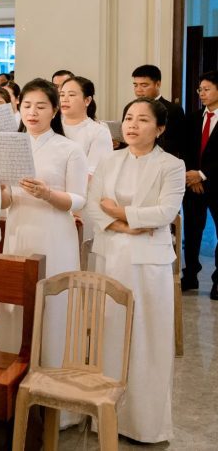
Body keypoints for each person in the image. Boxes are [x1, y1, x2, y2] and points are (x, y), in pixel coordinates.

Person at [86, 98, 184, 443]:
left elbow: (165, 212)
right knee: (110, 332)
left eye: (142, 120)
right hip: (110, 254)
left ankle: (145, 424)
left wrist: (118, 212)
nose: (132, 125)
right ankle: (105, 417)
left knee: (146, 337)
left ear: (159, 128)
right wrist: (125, 224)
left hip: (148, 263)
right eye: (128, 118)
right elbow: (92, 206)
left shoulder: (171, 165)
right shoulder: (109, 160)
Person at [0, 79, 88, 370]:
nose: (32, 112)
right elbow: (8, 200)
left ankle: (52, 375)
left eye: (40, 106)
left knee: (52, 303)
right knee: (16, 303)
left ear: (55, 110)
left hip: (54, 233)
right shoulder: (12, 146)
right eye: (26, 106)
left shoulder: (69, 149)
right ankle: (13, 375)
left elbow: (79, 200)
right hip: (19, 230)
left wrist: (47, 194)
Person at [182, 70, 218, 296]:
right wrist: (191, 175)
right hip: (193, 185)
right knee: (192, 231)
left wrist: (203, 174)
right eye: (200, 90)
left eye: (206, 89)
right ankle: (190, 275)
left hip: (215, 183)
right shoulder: (193, 118)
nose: (201, 94)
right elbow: (185, 149)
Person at [59, 76, 113, 178]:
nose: (64, 99)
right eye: (62, 95)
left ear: (87, 100)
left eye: (71, 95)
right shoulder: (50, 126)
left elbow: (95, 173)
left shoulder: (99, 132)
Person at [132, 64, 184, 158]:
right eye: (135, 85)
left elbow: (178, 143)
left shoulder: (173, 110)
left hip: (160, 160)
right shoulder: (130, 108)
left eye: (144, 85)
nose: (138, 90)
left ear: (158, 84)